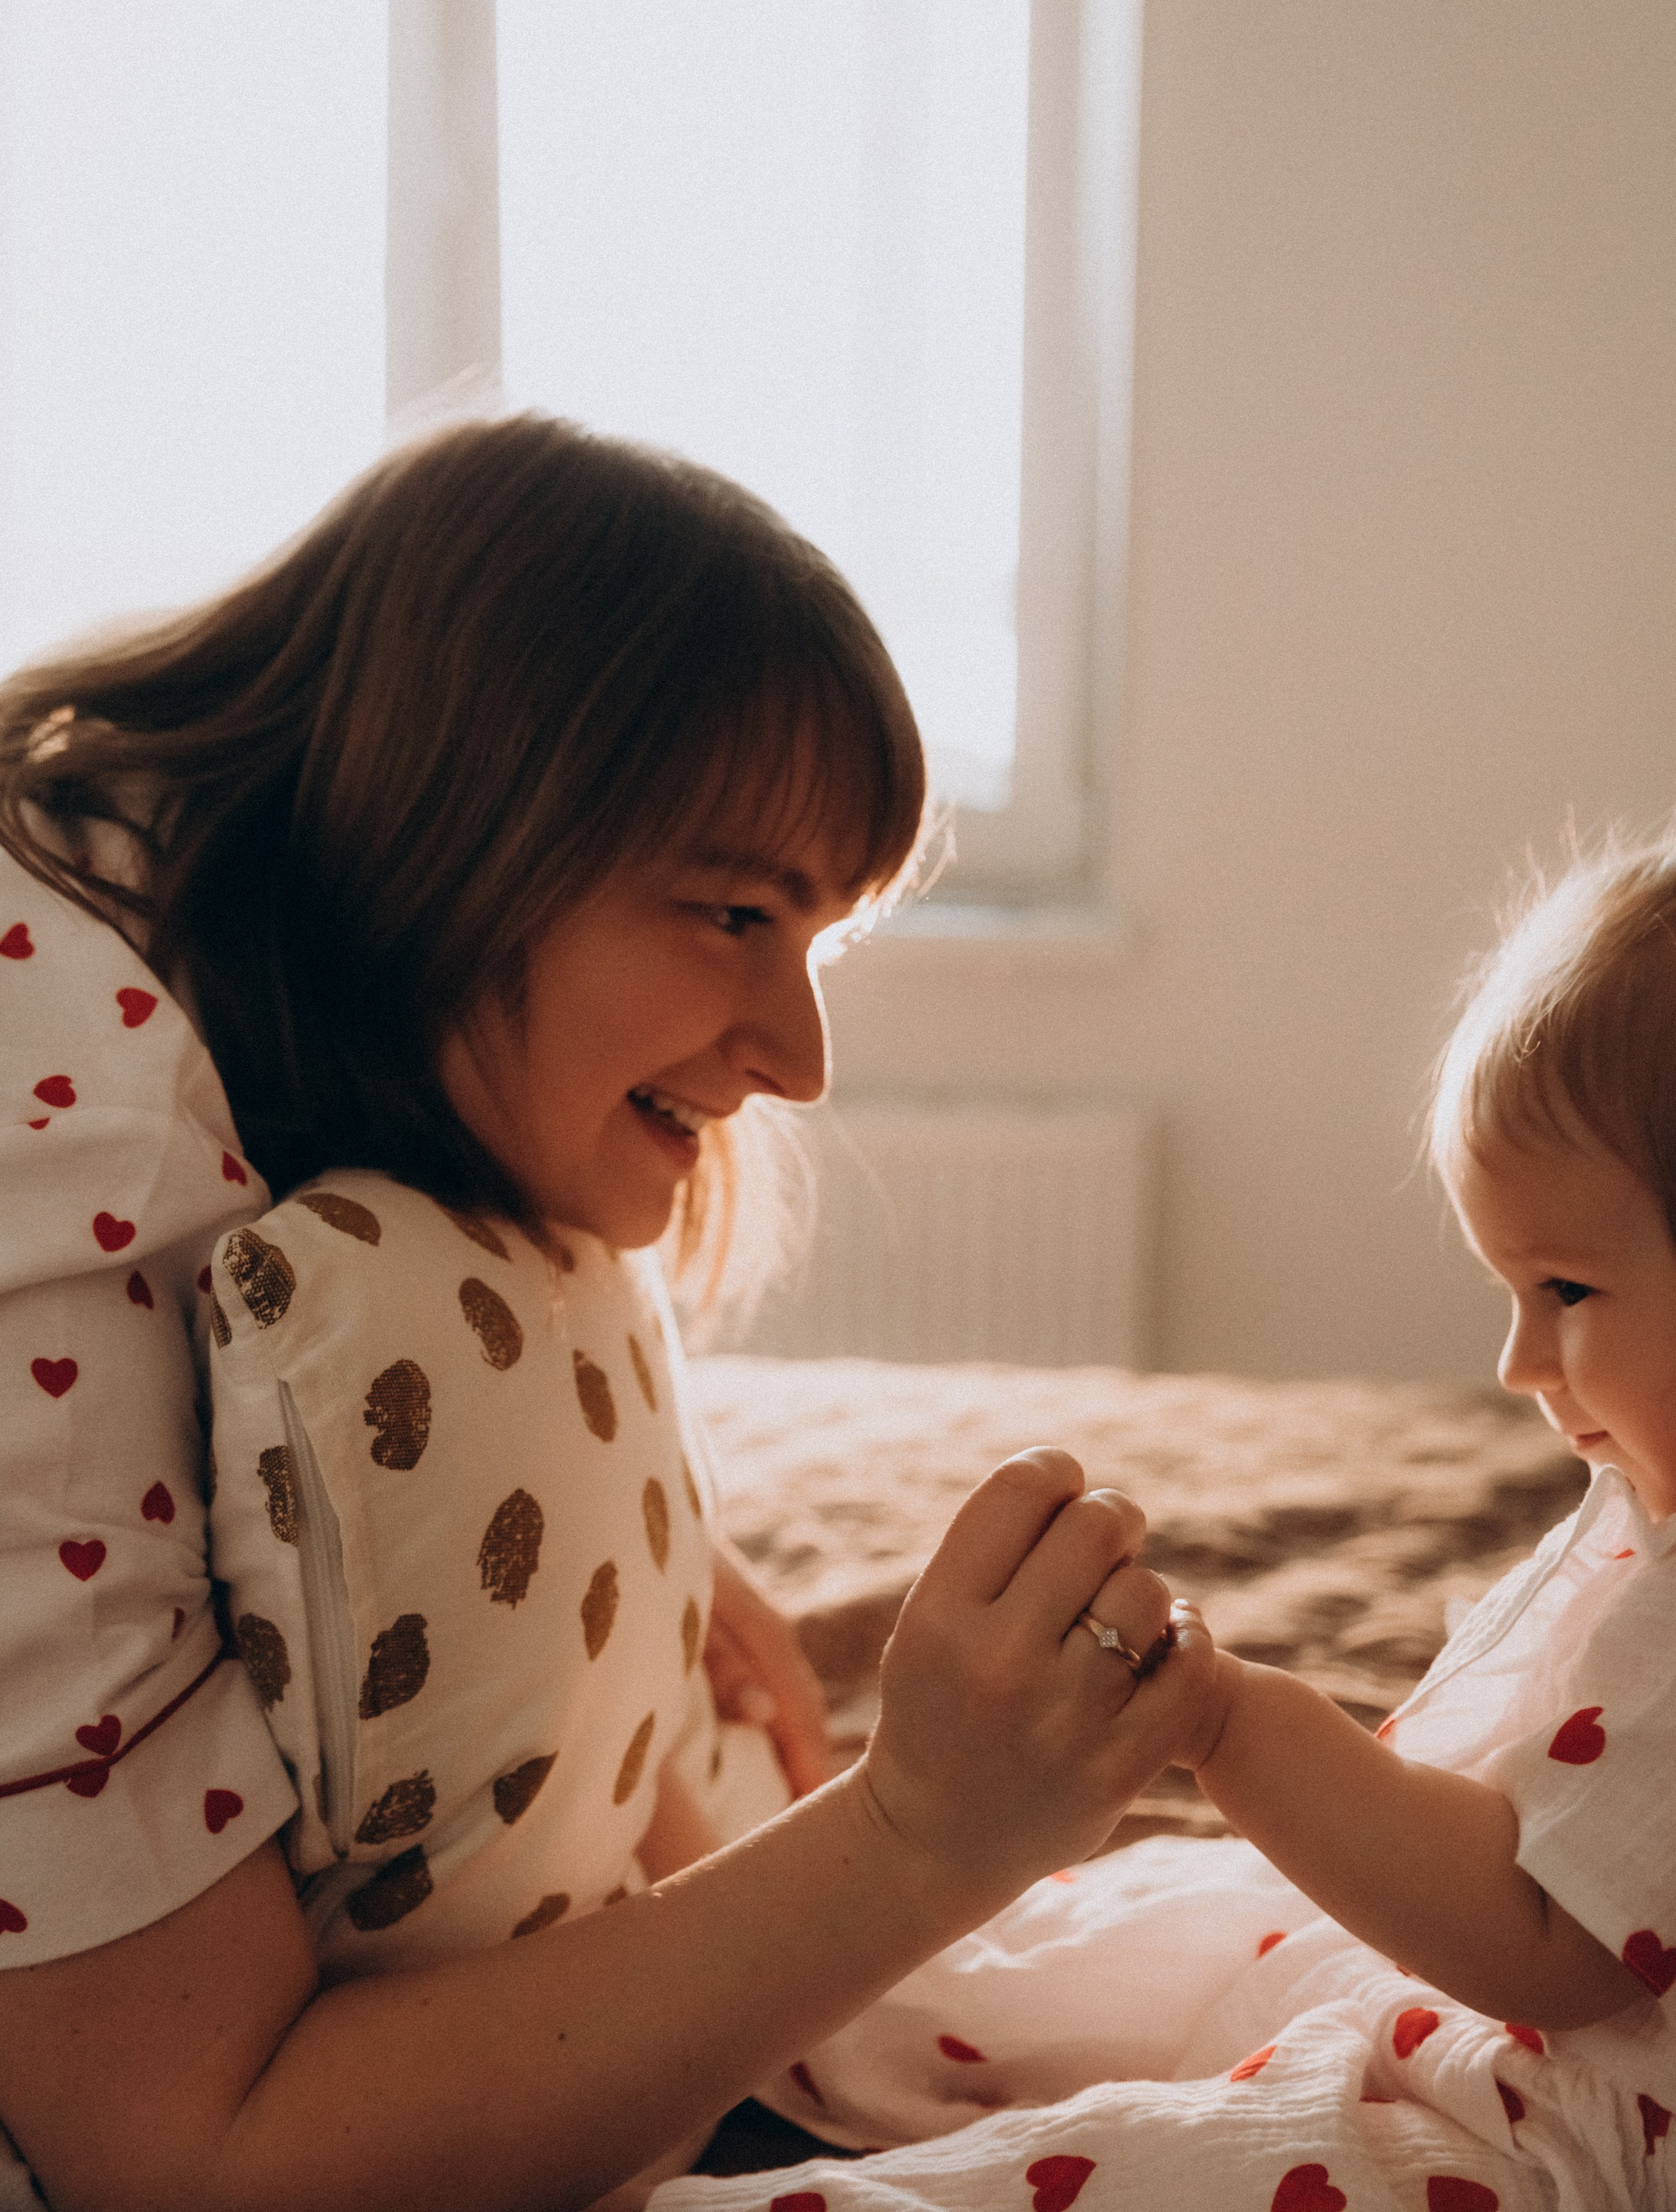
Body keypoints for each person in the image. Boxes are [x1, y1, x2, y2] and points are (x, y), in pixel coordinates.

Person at [0, 413, 1205, 2212]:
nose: (800, 1059)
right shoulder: (56, 1135)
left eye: (818, 942)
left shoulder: (225, 969)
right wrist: (911, 1844)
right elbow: (195, 2157)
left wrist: (615, 1565)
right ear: (459, 826)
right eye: (733, 913)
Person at [663, 831, 1676, 2211]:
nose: (1513, 1366)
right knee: (1152, 1941)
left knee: (1151, 2173)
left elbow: (1535, 1940)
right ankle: (767, 1983)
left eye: (1563, 1290)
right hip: (1466, 1998)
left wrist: (1226, 1723)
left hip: (1569, 2133)